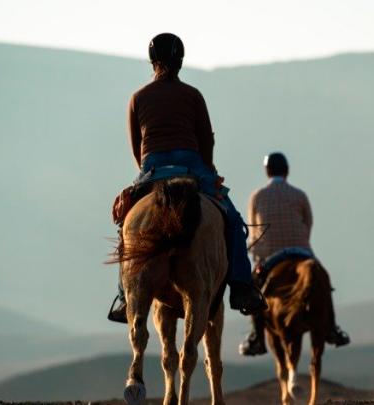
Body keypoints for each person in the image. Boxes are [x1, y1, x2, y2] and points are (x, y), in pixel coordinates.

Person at [108, 33, 266, 324]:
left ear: (152, 61)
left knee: (125, 225)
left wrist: (147, 173)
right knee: (232, 222)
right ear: (180, 61)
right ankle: (242, 288)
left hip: (152, 168)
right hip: (191, 167)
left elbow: (135, 147)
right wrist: (208, 171)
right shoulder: (193, 95)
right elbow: (206, 141)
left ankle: (123, 297)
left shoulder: (138, 97)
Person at [238, 152, 350, 355]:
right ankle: (332, 328)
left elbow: (254, 231)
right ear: (287, 171)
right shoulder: (299, 195)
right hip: (301, 250)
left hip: (271, 256)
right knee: (323, 280)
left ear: (267, 171)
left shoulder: (257, 196)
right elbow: (308, 223)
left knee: (253, 286)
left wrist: (257, 251)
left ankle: (256, 337)